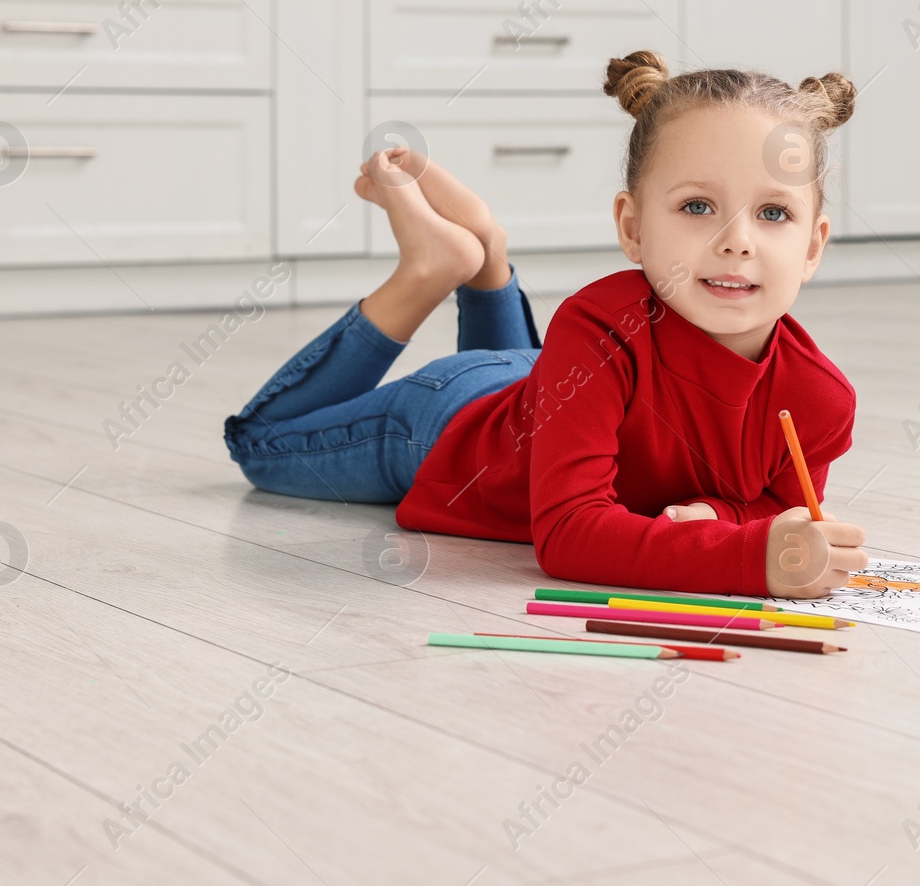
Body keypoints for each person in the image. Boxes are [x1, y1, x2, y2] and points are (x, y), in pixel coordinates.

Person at [224, 50, 867, 597]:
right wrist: (747, 557)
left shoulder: (822, 401)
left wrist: (720, 515)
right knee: (260, 443)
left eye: (774, 214)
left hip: (542, 388)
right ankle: (426, 270)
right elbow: (567, 534)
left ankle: (486, 258)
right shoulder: (598, 324)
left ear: (814, 245)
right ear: (633, 228)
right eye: (698, 206)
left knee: (533, 397)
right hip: (445, 426)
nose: (737, 241)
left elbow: (769, 508)